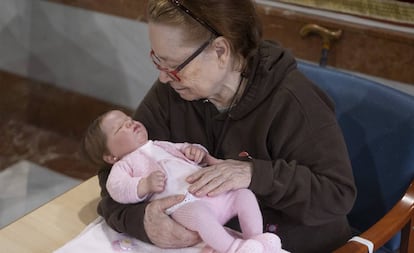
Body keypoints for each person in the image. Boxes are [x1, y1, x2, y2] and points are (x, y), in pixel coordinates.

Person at [96, 1, 357, 252]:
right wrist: (141, 220)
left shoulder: (293, 101)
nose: (164, 76)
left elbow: (336, 194)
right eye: (158, 61)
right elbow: (114, 176)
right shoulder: (172, 92)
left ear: (220, 51)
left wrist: (254, 174)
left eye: (174, 66)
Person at [81, 109, 282, 253]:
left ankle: (255, 238)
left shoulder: (160, 144)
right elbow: (116, 188)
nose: (130, 123)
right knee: (201, 216)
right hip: (185, 205)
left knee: (243, 194)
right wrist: (144, 186)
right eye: (119, 128)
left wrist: (196, 152)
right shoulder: (123, 166)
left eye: (128, 118)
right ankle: (234, 248)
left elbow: (185, 147)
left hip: (213, 193)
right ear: (111, 157)